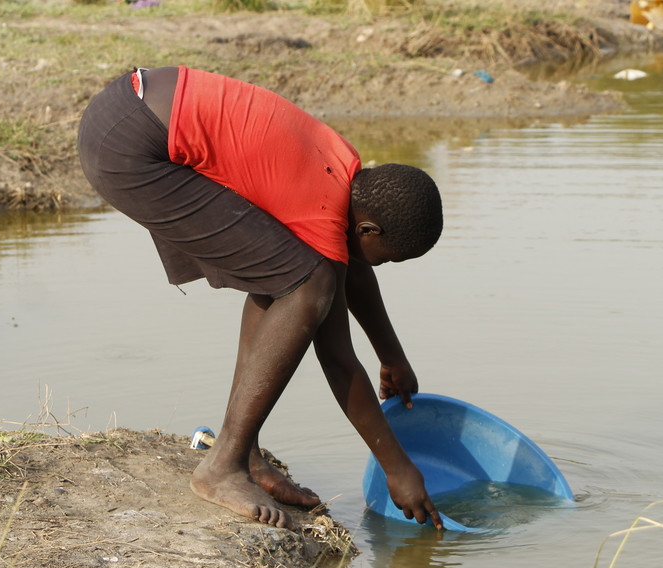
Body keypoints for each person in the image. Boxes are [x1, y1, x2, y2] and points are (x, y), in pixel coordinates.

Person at [77, 66, 444, 530]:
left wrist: (391, 356)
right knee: (309, 286)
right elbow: (338, 356)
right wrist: (398, 468)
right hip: (131, 146)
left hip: (132, 106)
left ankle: (243, 453)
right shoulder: (321, 210)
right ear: (368, 229)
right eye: (385, 260)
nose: (377, 268)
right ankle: (222, 467)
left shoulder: (342, 169)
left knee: (289, 273)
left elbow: (348, 265)